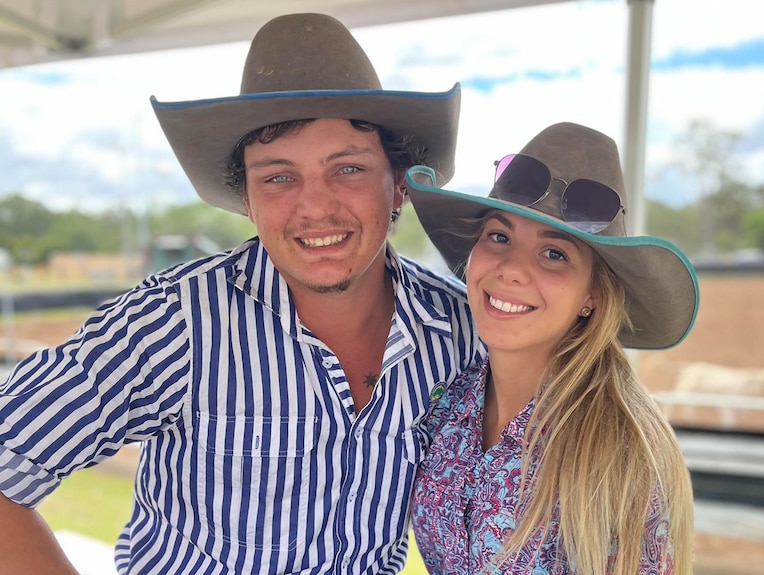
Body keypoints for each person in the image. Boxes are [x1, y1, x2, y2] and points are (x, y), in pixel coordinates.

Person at [0, 13, 484, 575]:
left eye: (348, 168)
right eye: (278, 177)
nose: (315, 207)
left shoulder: (460, 331)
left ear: (398, 184)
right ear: (246, 201)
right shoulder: (171, 321)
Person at [405, 122, 699, 574]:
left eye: (554, 254)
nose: (512, 270)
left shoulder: (618, 452)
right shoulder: (449, 401)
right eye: (499, 237)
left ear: (592, 296)